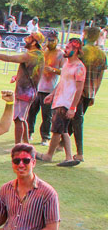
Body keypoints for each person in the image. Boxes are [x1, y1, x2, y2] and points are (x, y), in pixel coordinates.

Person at [0, 32, 44, 144]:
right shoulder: (39, 55)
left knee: (18, 119)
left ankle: (18, 145)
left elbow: (9, 58)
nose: (26, 39)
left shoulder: (30, 55)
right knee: (22, 118)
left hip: (24, 92)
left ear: (34, 42)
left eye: (29, 38)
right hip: (30, 91)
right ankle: (25, 143)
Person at [36, 38, 85, 167]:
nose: (65, 49)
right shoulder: (67, 64)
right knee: (62, 130)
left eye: (68, 48)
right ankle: (69, 157)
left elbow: (79, 89)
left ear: (76, 50)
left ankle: (48, 156)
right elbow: (62, 82)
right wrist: (52, 95)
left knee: (57, 130)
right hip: (59, 100)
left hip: (67, 103)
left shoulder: (79, 67)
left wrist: (73, 107)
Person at [71, 26, 106, 163]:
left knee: (76, 119)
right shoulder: (102, 55)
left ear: (85, 34)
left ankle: (79, 153)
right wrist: (93, 94)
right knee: (75, 117)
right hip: (90, 91)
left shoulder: (81, 52)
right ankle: (62, 143)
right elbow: (100, 77)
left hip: (76, 90)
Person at [27, 30, 63, 147]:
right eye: (49, 40)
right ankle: (29, 132)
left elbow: (64, 71)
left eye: (52, 40)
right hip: (37, 87)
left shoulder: (60, 54)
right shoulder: (43, 52)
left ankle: (45, 137)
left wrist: (54, 70)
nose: (50, 42)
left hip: (50, 89)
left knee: (47, 115)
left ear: (57, 40)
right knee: (31, 112)